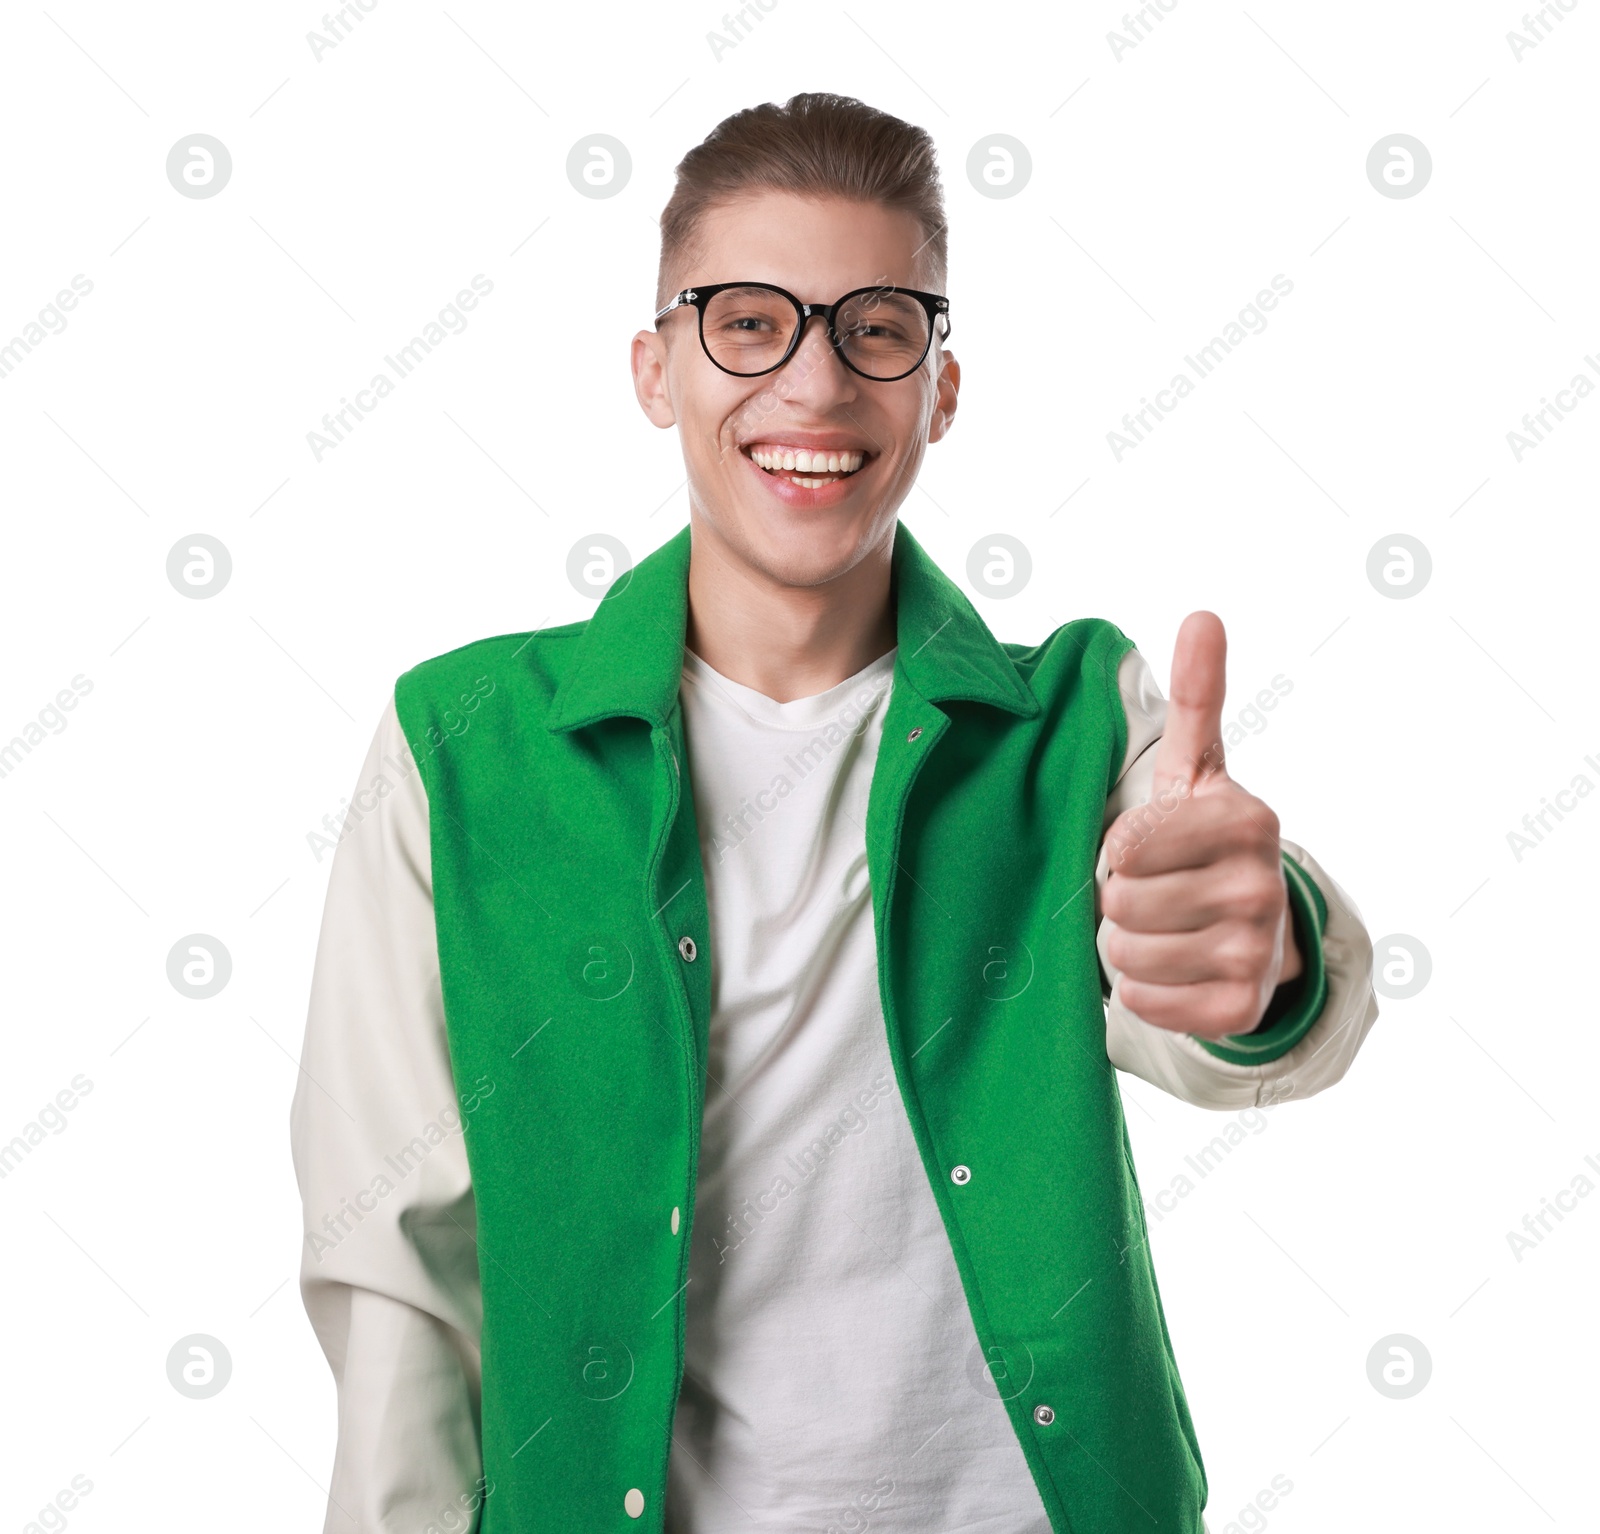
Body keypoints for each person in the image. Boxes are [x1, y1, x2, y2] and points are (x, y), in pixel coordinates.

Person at [290, 91, 1378, 1534]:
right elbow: (395, 1257)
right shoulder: (463, 747)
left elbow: (1224, 994)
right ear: (654, 366)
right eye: (749, 321)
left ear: (939, 385)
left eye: (875, 326)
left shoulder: (1073, 722)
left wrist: (1266, 950)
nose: (811, 386)